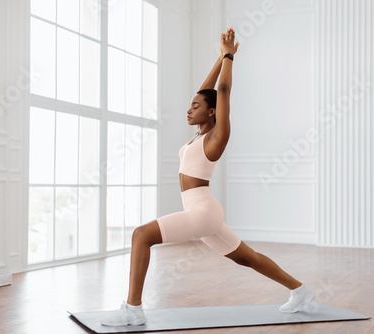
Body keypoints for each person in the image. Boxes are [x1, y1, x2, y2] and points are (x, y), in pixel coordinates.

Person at [101, 26, 315, 327]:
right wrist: (220, 57)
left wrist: (229, 56)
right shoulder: (199, 135)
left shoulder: (217, 137)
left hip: (202, 212)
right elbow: (209, 90)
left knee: (141, 235)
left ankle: (132, 309)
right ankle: (301, 291)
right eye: (190, 105)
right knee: (247, 257)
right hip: (204, 213)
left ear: (213, 113)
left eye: (196, 107)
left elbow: (222, 92)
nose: (189, 110)